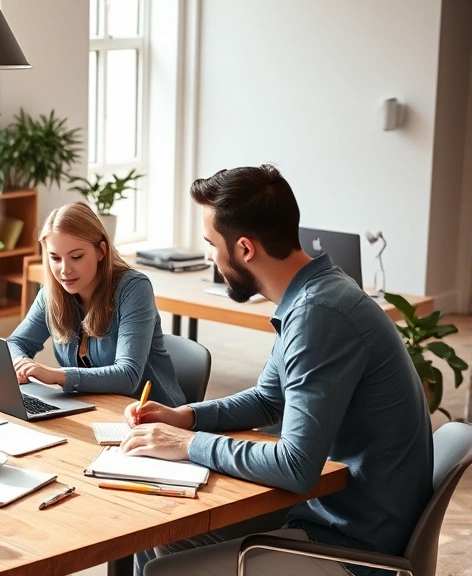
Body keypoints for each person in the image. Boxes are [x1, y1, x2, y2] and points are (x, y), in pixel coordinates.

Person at [123, 165, 433, 576]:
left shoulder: (318, 315)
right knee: (156, 532)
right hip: (332, 513)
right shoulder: (315, 291)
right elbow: (270, 398)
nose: (208, 256)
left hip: (349, 544)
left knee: (162, 565)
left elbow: (295, 466)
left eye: (211, 244)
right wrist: (187, 417)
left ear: (246, 249)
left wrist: (188, 442)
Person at [6, 203, 183, 404]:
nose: (65, 270)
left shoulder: (134, 289)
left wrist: (57, 375)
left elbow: (128, 376)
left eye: (76, 257)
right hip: (92, 410)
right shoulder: (52, 293)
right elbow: (16, 343)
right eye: (55, 258)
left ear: (101, 251)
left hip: (154, 418)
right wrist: (21, 364)